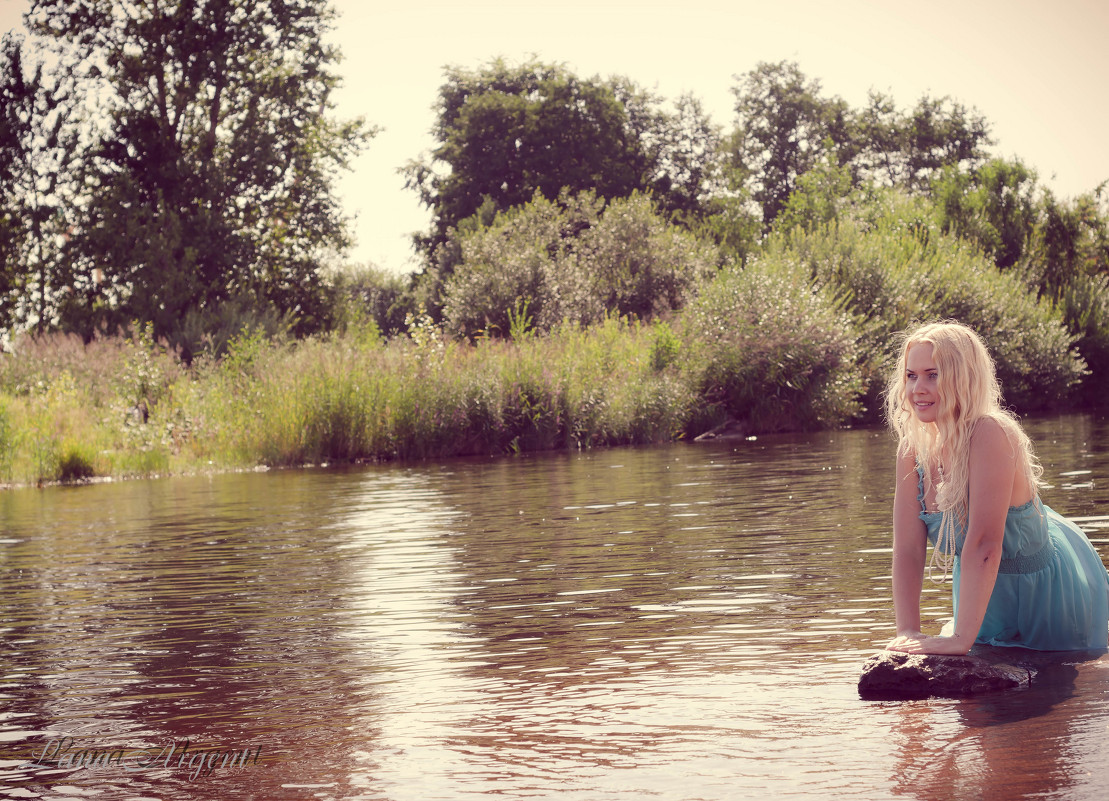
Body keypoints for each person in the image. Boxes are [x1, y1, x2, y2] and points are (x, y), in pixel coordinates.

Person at [884, 320, 1109, 655]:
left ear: (964, 376)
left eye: (933, 374)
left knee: (1052, 688)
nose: (918, 387)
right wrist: (908, 633)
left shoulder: (990, 432)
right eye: (911, 375)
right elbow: (907, 550)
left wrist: (959, 641)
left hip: (1041, 594)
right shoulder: (912, 449)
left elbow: (985, 544)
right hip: (981, 594)